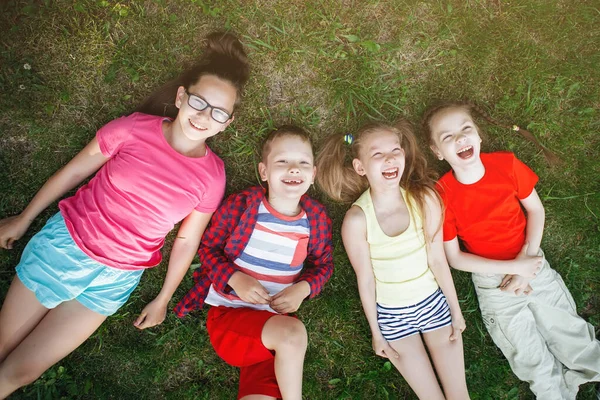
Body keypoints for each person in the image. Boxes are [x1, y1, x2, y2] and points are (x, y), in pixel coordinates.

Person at [0, 31, 250, 398]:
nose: (204, 117)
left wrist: (163, 298)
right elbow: (74, 172)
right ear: (182, 97)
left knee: (21, 372)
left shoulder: (213, 175)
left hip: (115, 281)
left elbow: (186, 238)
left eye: (218, 112)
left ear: (227, 122)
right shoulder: (133, 129)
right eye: (199, 102)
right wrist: (24, 218)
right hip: (66, 249)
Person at [423, 101, 600, 400]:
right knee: (530, 356)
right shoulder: (442, 195)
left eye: (466, 129)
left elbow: (536, 212)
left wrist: (525, 260)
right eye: (448, 136)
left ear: (479, 136)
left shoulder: (506, 165)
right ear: (437, 151)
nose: (461, 139)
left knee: (569, 333)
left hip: (532, 261)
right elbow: (454, 258)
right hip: (493, 284)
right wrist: (514, 270)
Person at [175, 126, 334, 400]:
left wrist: (304, 288)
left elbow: (324, 265)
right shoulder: (244, 205)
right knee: (293, 335)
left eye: (303, 163)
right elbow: (209, 248)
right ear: (264, 172)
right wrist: (235, 278)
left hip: (272, 326)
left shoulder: (315, 218)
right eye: (282, 161)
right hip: (230, 315)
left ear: (313, 174)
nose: (294, 169)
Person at [316, 121, 469, 400]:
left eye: (395, 150)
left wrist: (455, 311)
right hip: (393, 318)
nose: (389, 158)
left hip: (434, 306)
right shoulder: (356, 220)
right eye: (377, 154)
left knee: (459, 395)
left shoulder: (425, 200)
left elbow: (438, 260)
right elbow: (366, 279)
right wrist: (377, 333)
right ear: (360, 167)